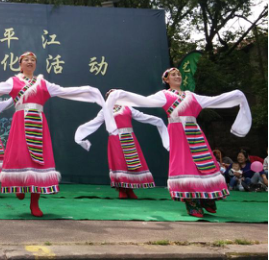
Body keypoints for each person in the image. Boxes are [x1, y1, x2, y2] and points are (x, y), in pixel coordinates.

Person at [0, 52, 105, 217]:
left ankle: (34, 203)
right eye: (26, 60)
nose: (29, 62)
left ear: (35, 64)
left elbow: (65, 91)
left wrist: (90, 91)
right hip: (20, 124)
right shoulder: (12, 82)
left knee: (38, 162)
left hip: (38, 125)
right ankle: (19, 186)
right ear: (20, 65)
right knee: (19, 157)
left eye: (33, 60)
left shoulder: (44, 83)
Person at [105, 67, 251, 218]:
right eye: (173, 75)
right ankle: (191, 201)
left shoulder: (192, 96)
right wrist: (120, 95)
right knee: (184, 165)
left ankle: (206, 196)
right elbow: (144, 100)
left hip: (195, 133)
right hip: (178, 134)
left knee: (205, 163)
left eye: (179, 74)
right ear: (166, 79)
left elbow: (215, 100)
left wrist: (237, 95)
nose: (177, 76)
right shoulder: (164, 95)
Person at [75, 90, 169, 199]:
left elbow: (142, 116)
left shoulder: (127, 107)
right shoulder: (105, 110)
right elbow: (94, 123)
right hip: (115, 139)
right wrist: (80, 134)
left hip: (129, 138)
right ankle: (121, 190)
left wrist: (158, 121)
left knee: (132, 164)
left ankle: (130, 189)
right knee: (120, 164)